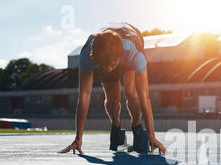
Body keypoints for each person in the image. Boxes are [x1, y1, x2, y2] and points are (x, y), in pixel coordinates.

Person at [59, 22, 166, 155]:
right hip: (108, 51)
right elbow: (85, 95)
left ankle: (137, 127)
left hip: (129, 45)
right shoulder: (87, 53)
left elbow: (145, 97)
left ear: (120, 57)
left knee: (131, 93)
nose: (108, 69)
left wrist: (152, 135)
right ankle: (116, 127)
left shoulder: (134, 53)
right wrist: (78, 138)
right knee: (113, 99)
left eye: (112, 64)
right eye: (104, 65)